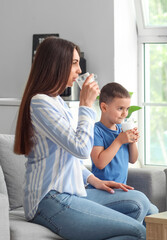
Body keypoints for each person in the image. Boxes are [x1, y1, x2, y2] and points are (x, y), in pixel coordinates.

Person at [14, 37, 152, 240]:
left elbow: (69, 157)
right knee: (138, 231)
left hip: (71, 192)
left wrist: (96, 180)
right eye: (74, 63)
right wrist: (86, 105)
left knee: (140, 202)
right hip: (48, 199)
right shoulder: (40, 103)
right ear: (56, 64)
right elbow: (80, 149)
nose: (79, 70)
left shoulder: (58, 102)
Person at [90, 82, 158, 214]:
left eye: (127, 109)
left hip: (121, 190)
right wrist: (119, 141)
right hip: (101, 190)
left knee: (153, 211)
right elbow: (100, 163)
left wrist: (132, 142)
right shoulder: (96, 130)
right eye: (120, 108)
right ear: (104, 107)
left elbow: (133, 159)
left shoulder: (122, 130)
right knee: (142, 209)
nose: (125, 114)